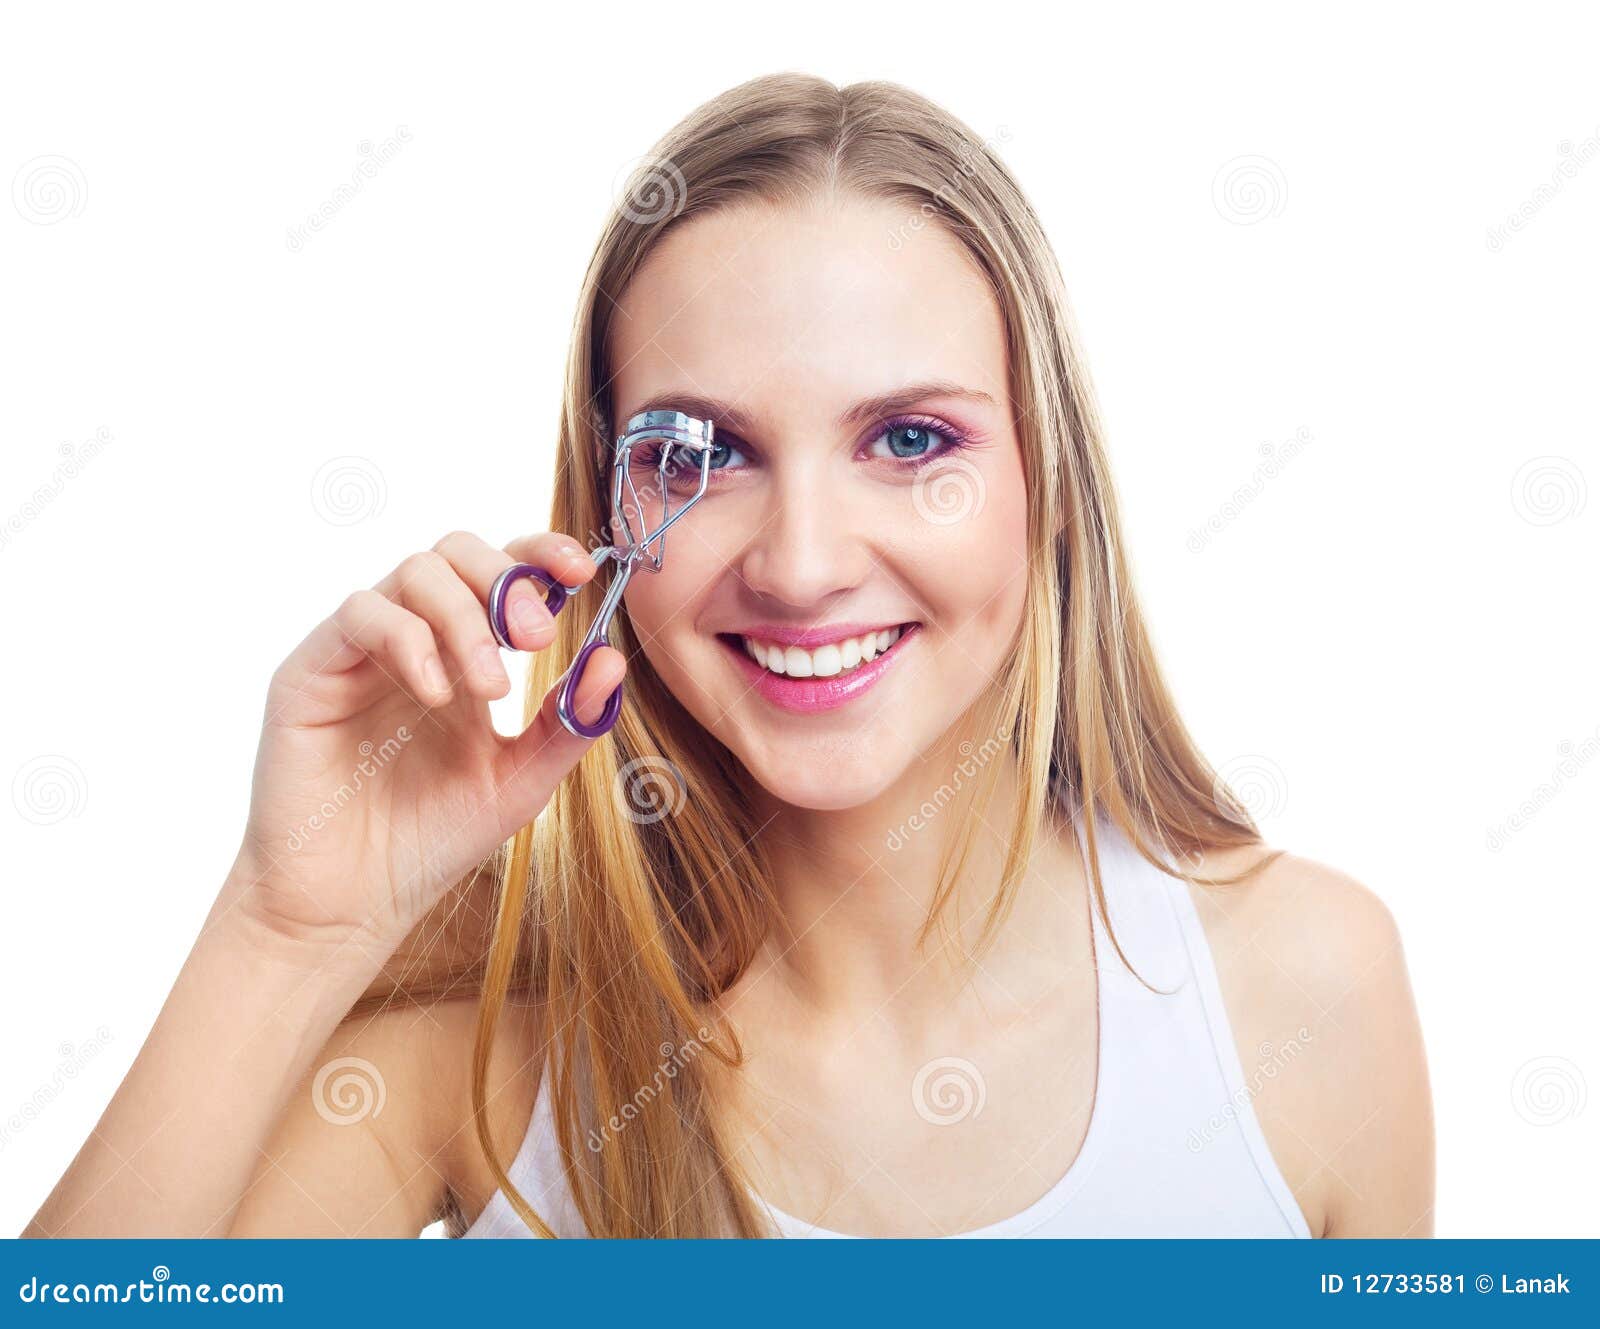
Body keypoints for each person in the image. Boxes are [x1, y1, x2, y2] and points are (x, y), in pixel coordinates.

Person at [26, 72, 1433, 1240]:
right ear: (607, 512)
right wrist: (288, 928)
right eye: (702, 453)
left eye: (910, 439)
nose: (802, 564)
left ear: (1046, 485)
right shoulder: (476, 1045)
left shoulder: (1305, 986)